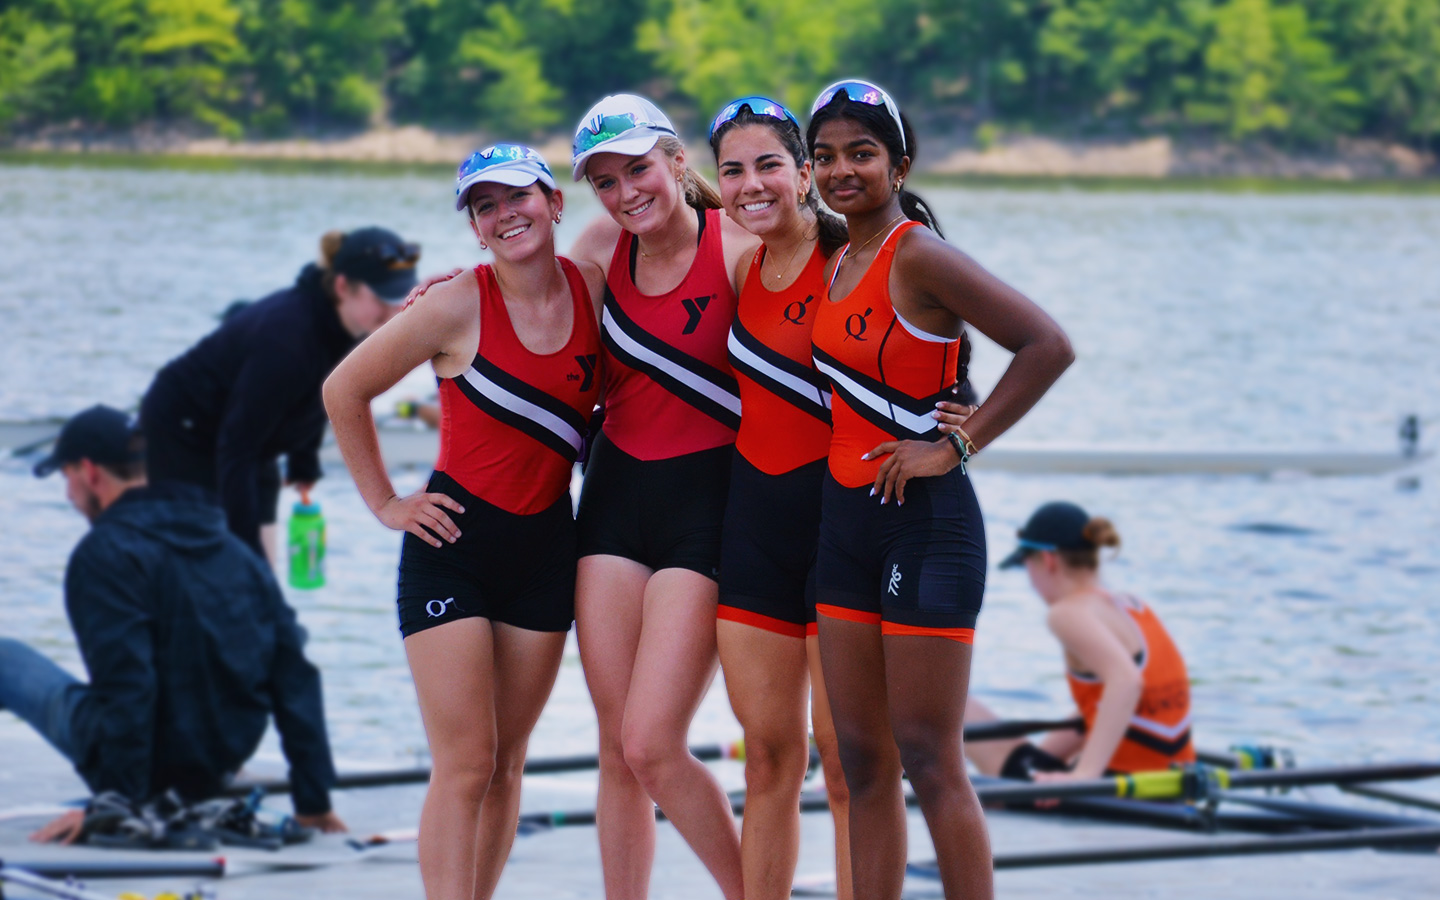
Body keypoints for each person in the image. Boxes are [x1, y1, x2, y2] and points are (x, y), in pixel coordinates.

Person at [806, 79, 1074, 900]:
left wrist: (957, 443)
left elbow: (1046, 344)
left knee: (928, 755)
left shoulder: (916, 253)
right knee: (859, 757)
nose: (841, 170)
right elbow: (747, 205)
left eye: (861, 154)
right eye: (825, 157)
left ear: (900, 162)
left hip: (925, 530)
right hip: (845, 526)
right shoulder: (837, 249)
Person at [323, 145, 603, 900]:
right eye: (485, 206)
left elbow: (684, 224)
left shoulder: (596, 287)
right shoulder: (452, 304)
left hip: (548, 548)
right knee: (466, 762)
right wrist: (386, 503)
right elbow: (343, 390)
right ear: (476, 230)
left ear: (553, 203)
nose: (505, 214)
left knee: (509, 761)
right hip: (453, 547)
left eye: (518, 197)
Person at [565, 93, 758, 900]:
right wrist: (445, 293)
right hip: (614, 499)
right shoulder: (603, 244)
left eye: (638, 168)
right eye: (605, 181)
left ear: (680, 163)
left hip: (708, 510)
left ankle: (756, 890)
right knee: (617, 747)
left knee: (652, 743)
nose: (625, 192)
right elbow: (521, 296)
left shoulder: (743, 247)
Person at [5, 405, 344, 844]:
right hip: (218, 761)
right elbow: (293, 673)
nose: (68, 494)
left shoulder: (104, 554)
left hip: (144, 771)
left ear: (89, 472)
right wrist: (313, 800)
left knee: (5, 658)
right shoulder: (230, 546)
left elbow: (130, 689)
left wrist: (114, 810)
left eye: (65, 475)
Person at [706, 95, 854, 900]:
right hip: (755, 532)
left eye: (769, 165)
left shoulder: (854, 262)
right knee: (767, 756)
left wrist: (956, 426)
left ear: (806, 174)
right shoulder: (740, 267)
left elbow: (943, 356)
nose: (751, 184)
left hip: (840, 531)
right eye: (733, 170)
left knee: (845, 761)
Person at [140, 227, 419, 563]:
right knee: (209, 550)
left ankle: (254, 591)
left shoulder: (348, 326)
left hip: (250, 433)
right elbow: (237, 448)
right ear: (343, 286)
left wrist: (303, 465)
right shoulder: (287, 340)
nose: (392, 315)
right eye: (381, 300)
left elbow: (320, 395)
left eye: (397, 300)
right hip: (184, 426)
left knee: (257, 544)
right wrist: (243, 555)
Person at [964, 502, 1196, 783]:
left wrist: (1084, 774)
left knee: (938, 694)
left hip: (1115, 790)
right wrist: (1046, 760)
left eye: (1026, 567)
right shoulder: (1134, 606)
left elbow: (1127, 682)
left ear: (1048, 561)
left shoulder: (1067, 613)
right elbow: (1107, 703)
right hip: (1172, 779)